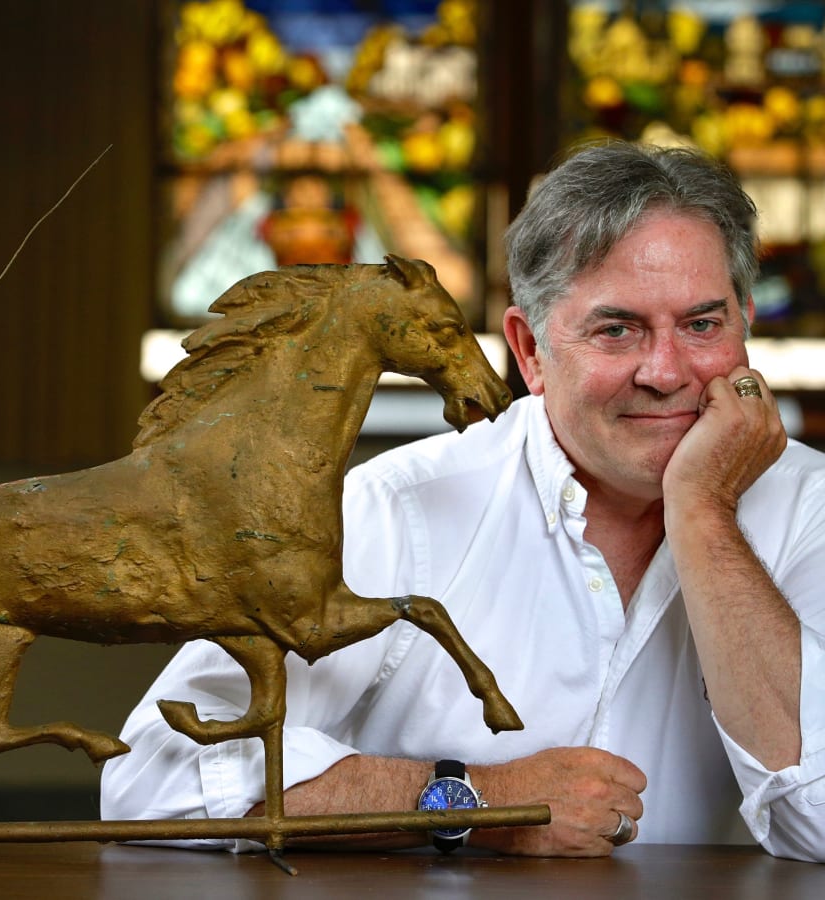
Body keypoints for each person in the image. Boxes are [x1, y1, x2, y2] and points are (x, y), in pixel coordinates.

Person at [100, 141, 825, 862]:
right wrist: (475, 801)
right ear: (530, 352)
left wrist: (703, 512)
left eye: (702, 325)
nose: (667, 372)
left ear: (745, 326)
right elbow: (152, 775)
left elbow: (818, 823)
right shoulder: (398, 509)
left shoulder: (808, 510)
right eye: (617, 329)